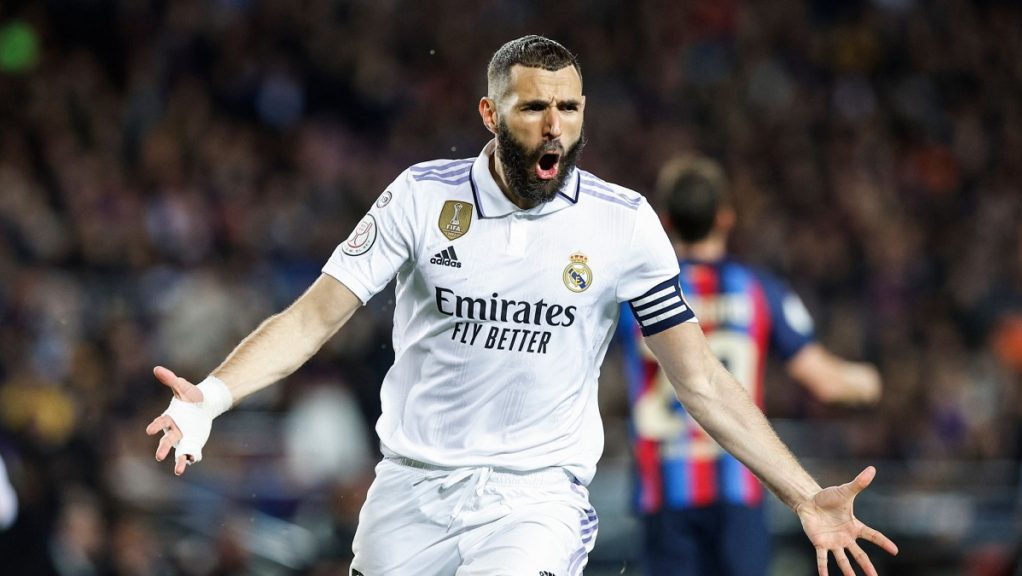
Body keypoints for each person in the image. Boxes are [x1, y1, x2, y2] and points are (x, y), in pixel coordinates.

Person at [146, 35, 897, 576]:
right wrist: (212, 397)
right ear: (489, 112)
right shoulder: (420, 197)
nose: (554, 125)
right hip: (408, 488)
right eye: (534, 106)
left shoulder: (623, 223)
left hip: (535, 498)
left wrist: (804, 495)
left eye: (568, 107)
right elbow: (314, 317)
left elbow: (699, 381)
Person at [617, 155, 883, 576]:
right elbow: (826, 382)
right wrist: (870, 381)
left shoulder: (636, 293)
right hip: (741, 484)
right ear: (725, 218)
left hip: (663, 490)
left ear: (665, 221)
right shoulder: (757, 289)